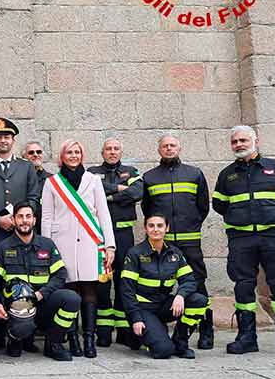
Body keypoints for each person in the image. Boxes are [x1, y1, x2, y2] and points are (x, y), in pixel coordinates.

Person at [213, 125, 275, 358]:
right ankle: (246, 337)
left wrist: (272, 215)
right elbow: (219, 205)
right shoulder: (227, 174)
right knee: (243, 285)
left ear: (256, 141)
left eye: (243, 140)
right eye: (235, 142)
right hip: (241, 238)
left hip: (272, 236)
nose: (239, 145)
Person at [42, 139, 115, 359]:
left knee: (90, 291)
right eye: (69, 152)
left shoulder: (93, 180)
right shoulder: (52, 183)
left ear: (82, 155)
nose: (73, 156)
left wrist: (109, 245)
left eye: (77, 152)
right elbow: (46, 217)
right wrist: (47, 248)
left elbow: (103, 214)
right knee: (70, 291)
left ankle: (89, 339)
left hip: (91, 242)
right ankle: (72, 339)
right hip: (61, 243)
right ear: (62, 156)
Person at [141, 134, 213, 350]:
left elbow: (203, 207)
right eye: (165, 146)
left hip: (190, 242)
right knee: (157, 285)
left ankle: (206, 331)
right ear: (159, 150)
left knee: (198, 285)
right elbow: (148, 209)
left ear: (179, 148)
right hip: (162, 244)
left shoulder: (194, 174)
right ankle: (161, 329)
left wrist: (190, 226)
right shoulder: (149, 177)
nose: (169, 149)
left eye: (172, 145)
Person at [0, 202, 81, 360]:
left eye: (28, 216)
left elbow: (60, 274)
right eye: (20, 217)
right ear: (13, 220)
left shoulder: (47, 245)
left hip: (42, 303)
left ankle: (53, 343)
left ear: (34, 220)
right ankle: (15, 338)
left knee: (72, 298)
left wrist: (41, 294)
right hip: (16, 309)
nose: (24, 220)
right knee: (18, 343)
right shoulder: (2, 247)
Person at [120, 214, 208, 359]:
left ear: (167, 228)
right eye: (151, 225)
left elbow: (190, 280)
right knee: (163, 351)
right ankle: (139, 335)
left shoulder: (175, 253)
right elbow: (127, 290)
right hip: (143, 309)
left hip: (163, 305)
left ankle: (180, 344)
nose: (156, 229)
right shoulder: (135, 253)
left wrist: (180, 295)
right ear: (145, 229)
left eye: (160, 226)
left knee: (199, 300)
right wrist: (136, 318)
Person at [87, 137, 143, 348]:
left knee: (124, 279)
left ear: (121, 151)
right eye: (108, 149)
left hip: (123, 235)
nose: (112, 152)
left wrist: (108, 195)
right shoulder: (92, 172)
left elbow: (137, 192)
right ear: (102, 153)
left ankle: (123, 328)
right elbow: (93, 190)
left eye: (116, 149)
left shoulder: (132, 170)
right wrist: (120, 189)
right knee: (102, 281)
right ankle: (104, 329)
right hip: (99, 237)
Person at [0, 118, 41, 247]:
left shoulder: (27, 167)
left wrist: (20, 219)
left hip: (22, 233)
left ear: (13, 140)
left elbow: (34, 198)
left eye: (7, 137)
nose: (3, 141)